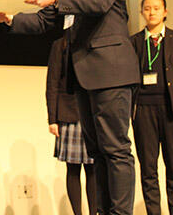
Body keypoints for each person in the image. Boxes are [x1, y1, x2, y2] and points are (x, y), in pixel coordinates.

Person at [0, 0, 140, 214]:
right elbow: (46, 21)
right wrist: (9, 18)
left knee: (116, 150)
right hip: (82, 74)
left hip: (110, 72)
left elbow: (100, 2)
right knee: (97, 152)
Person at [130, 0, 173, 215]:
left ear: (165, 12)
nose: (151, 12)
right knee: (148, 169)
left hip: (172, 110)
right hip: (143, 110)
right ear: (141, 12)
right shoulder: (134, 41)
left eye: (156, 8)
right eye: (147, 8)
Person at [46, 38, 96, 215]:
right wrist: (52, 118)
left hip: (93, 111)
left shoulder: (95, 40)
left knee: (93, 168)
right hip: (69, 112)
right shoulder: (61, 44)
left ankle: (94, 212)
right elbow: (52, 81)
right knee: (73, 168)